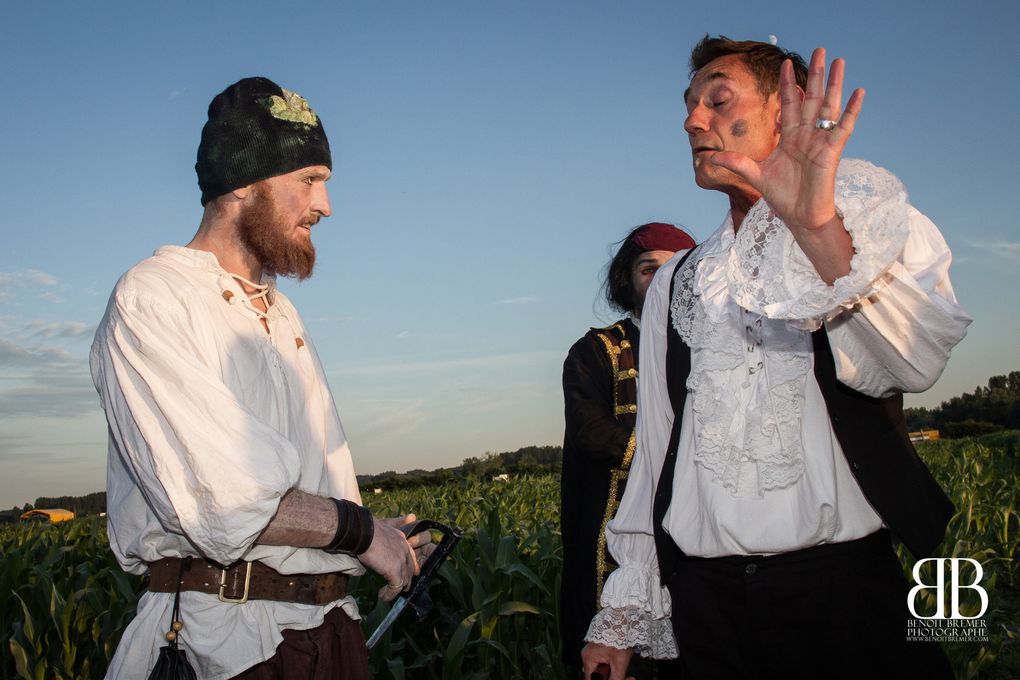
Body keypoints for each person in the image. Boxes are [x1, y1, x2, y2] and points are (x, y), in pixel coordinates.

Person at [581, 36, 971, 680]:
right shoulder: (679, 280)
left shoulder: (871, 224)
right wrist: (625, 609)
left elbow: (912, 366)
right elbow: (657, 448)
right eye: (688, 105)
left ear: (785, 110)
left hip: (844, 598)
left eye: (718, 99)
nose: (691, 120)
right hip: (704, 606)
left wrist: (817, 230)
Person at [91, 77, 431, 680]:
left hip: (331, 634)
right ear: (243, 182)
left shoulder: (279, 311)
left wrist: (379, 547)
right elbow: (225, 500)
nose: (326, 205)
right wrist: (361, 534)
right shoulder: (153, 297)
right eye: (309, 180)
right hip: (230, 646)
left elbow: (304, 494)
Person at [560, 223, 695, 677]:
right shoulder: (595, 350)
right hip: (610, 532)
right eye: (647, 269)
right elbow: (591, 432)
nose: (661, 281)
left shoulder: (709, 350)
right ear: (628, 280)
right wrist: (677, 458)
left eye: (674, 269)